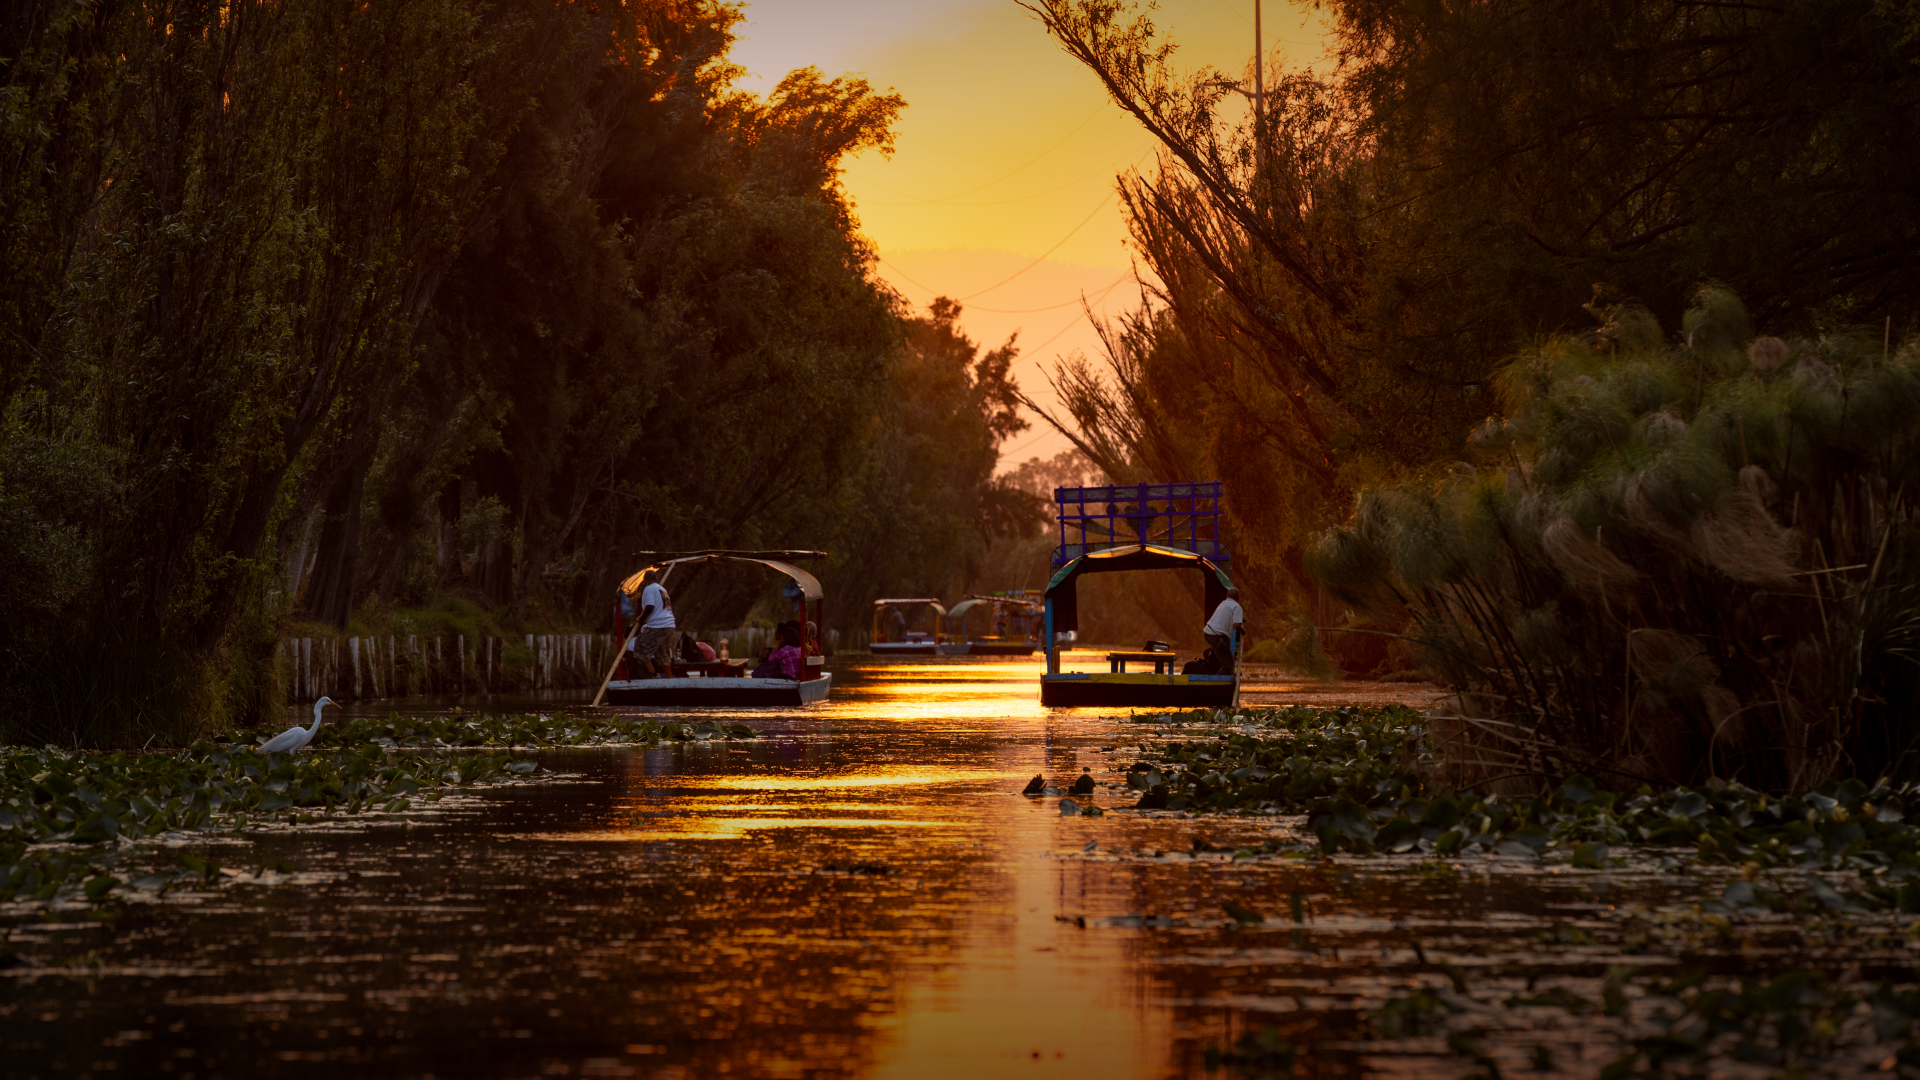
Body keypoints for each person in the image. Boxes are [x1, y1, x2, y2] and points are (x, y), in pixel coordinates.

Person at [632, 569, 678, 678]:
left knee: (640, 648)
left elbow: (650, 606)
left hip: (658, 625)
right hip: (670, 625)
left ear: (645, 580)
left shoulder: (648, 589)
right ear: (656, 579)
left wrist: (641, 619)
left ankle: (654, 676)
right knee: (663, 653)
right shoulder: (662, 589)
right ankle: (669, 679)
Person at [1203, 587, 1244, 672]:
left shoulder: (1223, 604)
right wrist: (1243, 631)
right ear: (1238, 597)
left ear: (1227, 595)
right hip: (1218, 637)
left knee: (1219, 658)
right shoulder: (1237, 607)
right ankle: (1216, 684)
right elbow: (1236, 625)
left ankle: (1212, 655)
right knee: (1228, 665)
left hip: (1208, 633)